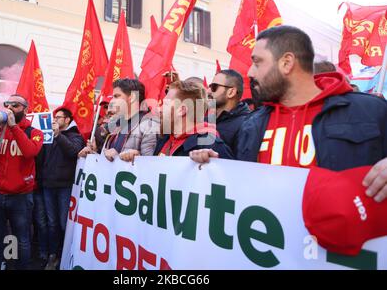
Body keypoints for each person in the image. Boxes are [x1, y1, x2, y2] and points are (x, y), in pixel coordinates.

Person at [189, 25, 387, 203]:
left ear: (287, 62)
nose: (250, 73)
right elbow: (242, 189)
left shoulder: (371, 111)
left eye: (258, 63)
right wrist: (217, 165)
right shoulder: (252, 125)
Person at [0, 94, 44, 270]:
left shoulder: (34, 133)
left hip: (21, 197)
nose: (10, 108)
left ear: (25, 110)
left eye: (16, 105)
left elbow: (30, 152)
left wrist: (14, 127)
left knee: (21, 241)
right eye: (8, 104)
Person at [40, 107, 84, 270]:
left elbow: (73, 152)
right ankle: (53, 255)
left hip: (64, 187)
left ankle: (65, 254)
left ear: (67, 120)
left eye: (59, 117)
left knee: (64, 223)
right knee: (51, 223)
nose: (55, 120)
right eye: (54, 117)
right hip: (48, 185)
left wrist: (58, 135)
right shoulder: (49, 136)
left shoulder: (75, 136)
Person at [152, 81, 233, 159]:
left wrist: (214, 162)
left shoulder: (210, 145)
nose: (159, 109)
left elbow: (232, 171)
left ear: (182, 110)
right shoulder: (166, 138)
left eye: (165, 104)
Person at [102, 79, 158, 163]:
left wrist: (136, 156)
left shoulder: (149, 125)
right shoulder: (116, 126)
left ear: (132, 98)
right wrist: (91, 154)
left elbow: (150, 165)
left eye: (116, 96)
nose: (111, 101)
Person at [206, 69, 250, 156]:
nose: (208, 91)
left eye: (214, 87)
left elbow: (243, 164)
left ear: (231, 92)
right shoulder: (206, 120)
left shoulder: (247, 125)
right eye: (210, 86)